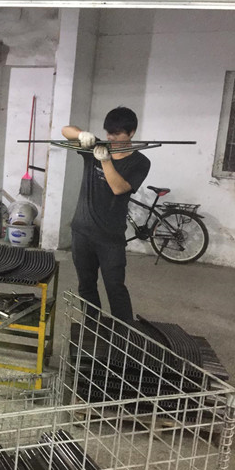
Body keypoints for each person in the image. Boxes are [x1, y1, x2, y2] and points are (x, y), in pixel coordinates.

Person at [62, 107, 150, 322]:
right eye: (109, 133)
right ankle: (92, 327)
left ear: (131, 132)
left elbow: (119, 188)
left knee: (115, 287)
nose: (111, 138)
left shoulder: (140, 162)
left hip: (110, 237)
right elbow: (65, 130)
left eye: (117, 134)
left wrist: (105, 160)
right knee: (86, 285)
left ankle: (124, 333)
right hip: (82, 232)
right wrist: (81, 135)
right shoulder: (96, 146)